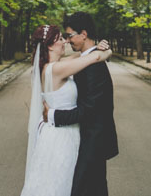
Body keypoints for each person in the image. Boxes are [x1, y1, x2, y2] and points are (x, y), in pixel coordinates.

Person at [21, 24, 112, 196]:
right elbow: (92, 58)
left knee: (54, 181)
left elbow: (83, 54)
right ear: (49, 45)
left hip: (55, 132)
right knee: (61, 181)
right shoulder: (56, 69)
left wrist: (97, 49)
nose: (65, 42)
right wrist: (107, 52)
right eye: (60, 39)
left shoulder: (52, 65)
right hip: (63, 135)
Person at [44, 12, 118, 196]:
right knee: (92, 188)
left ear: (83, 34)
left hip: (93, 140)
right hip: (84, 137)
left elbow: (91, 109)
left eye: (69, 36)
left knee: (85, 188)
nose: (68, 41)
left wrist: (54, 115)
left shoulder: (94, 65)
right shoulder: (87, 59)